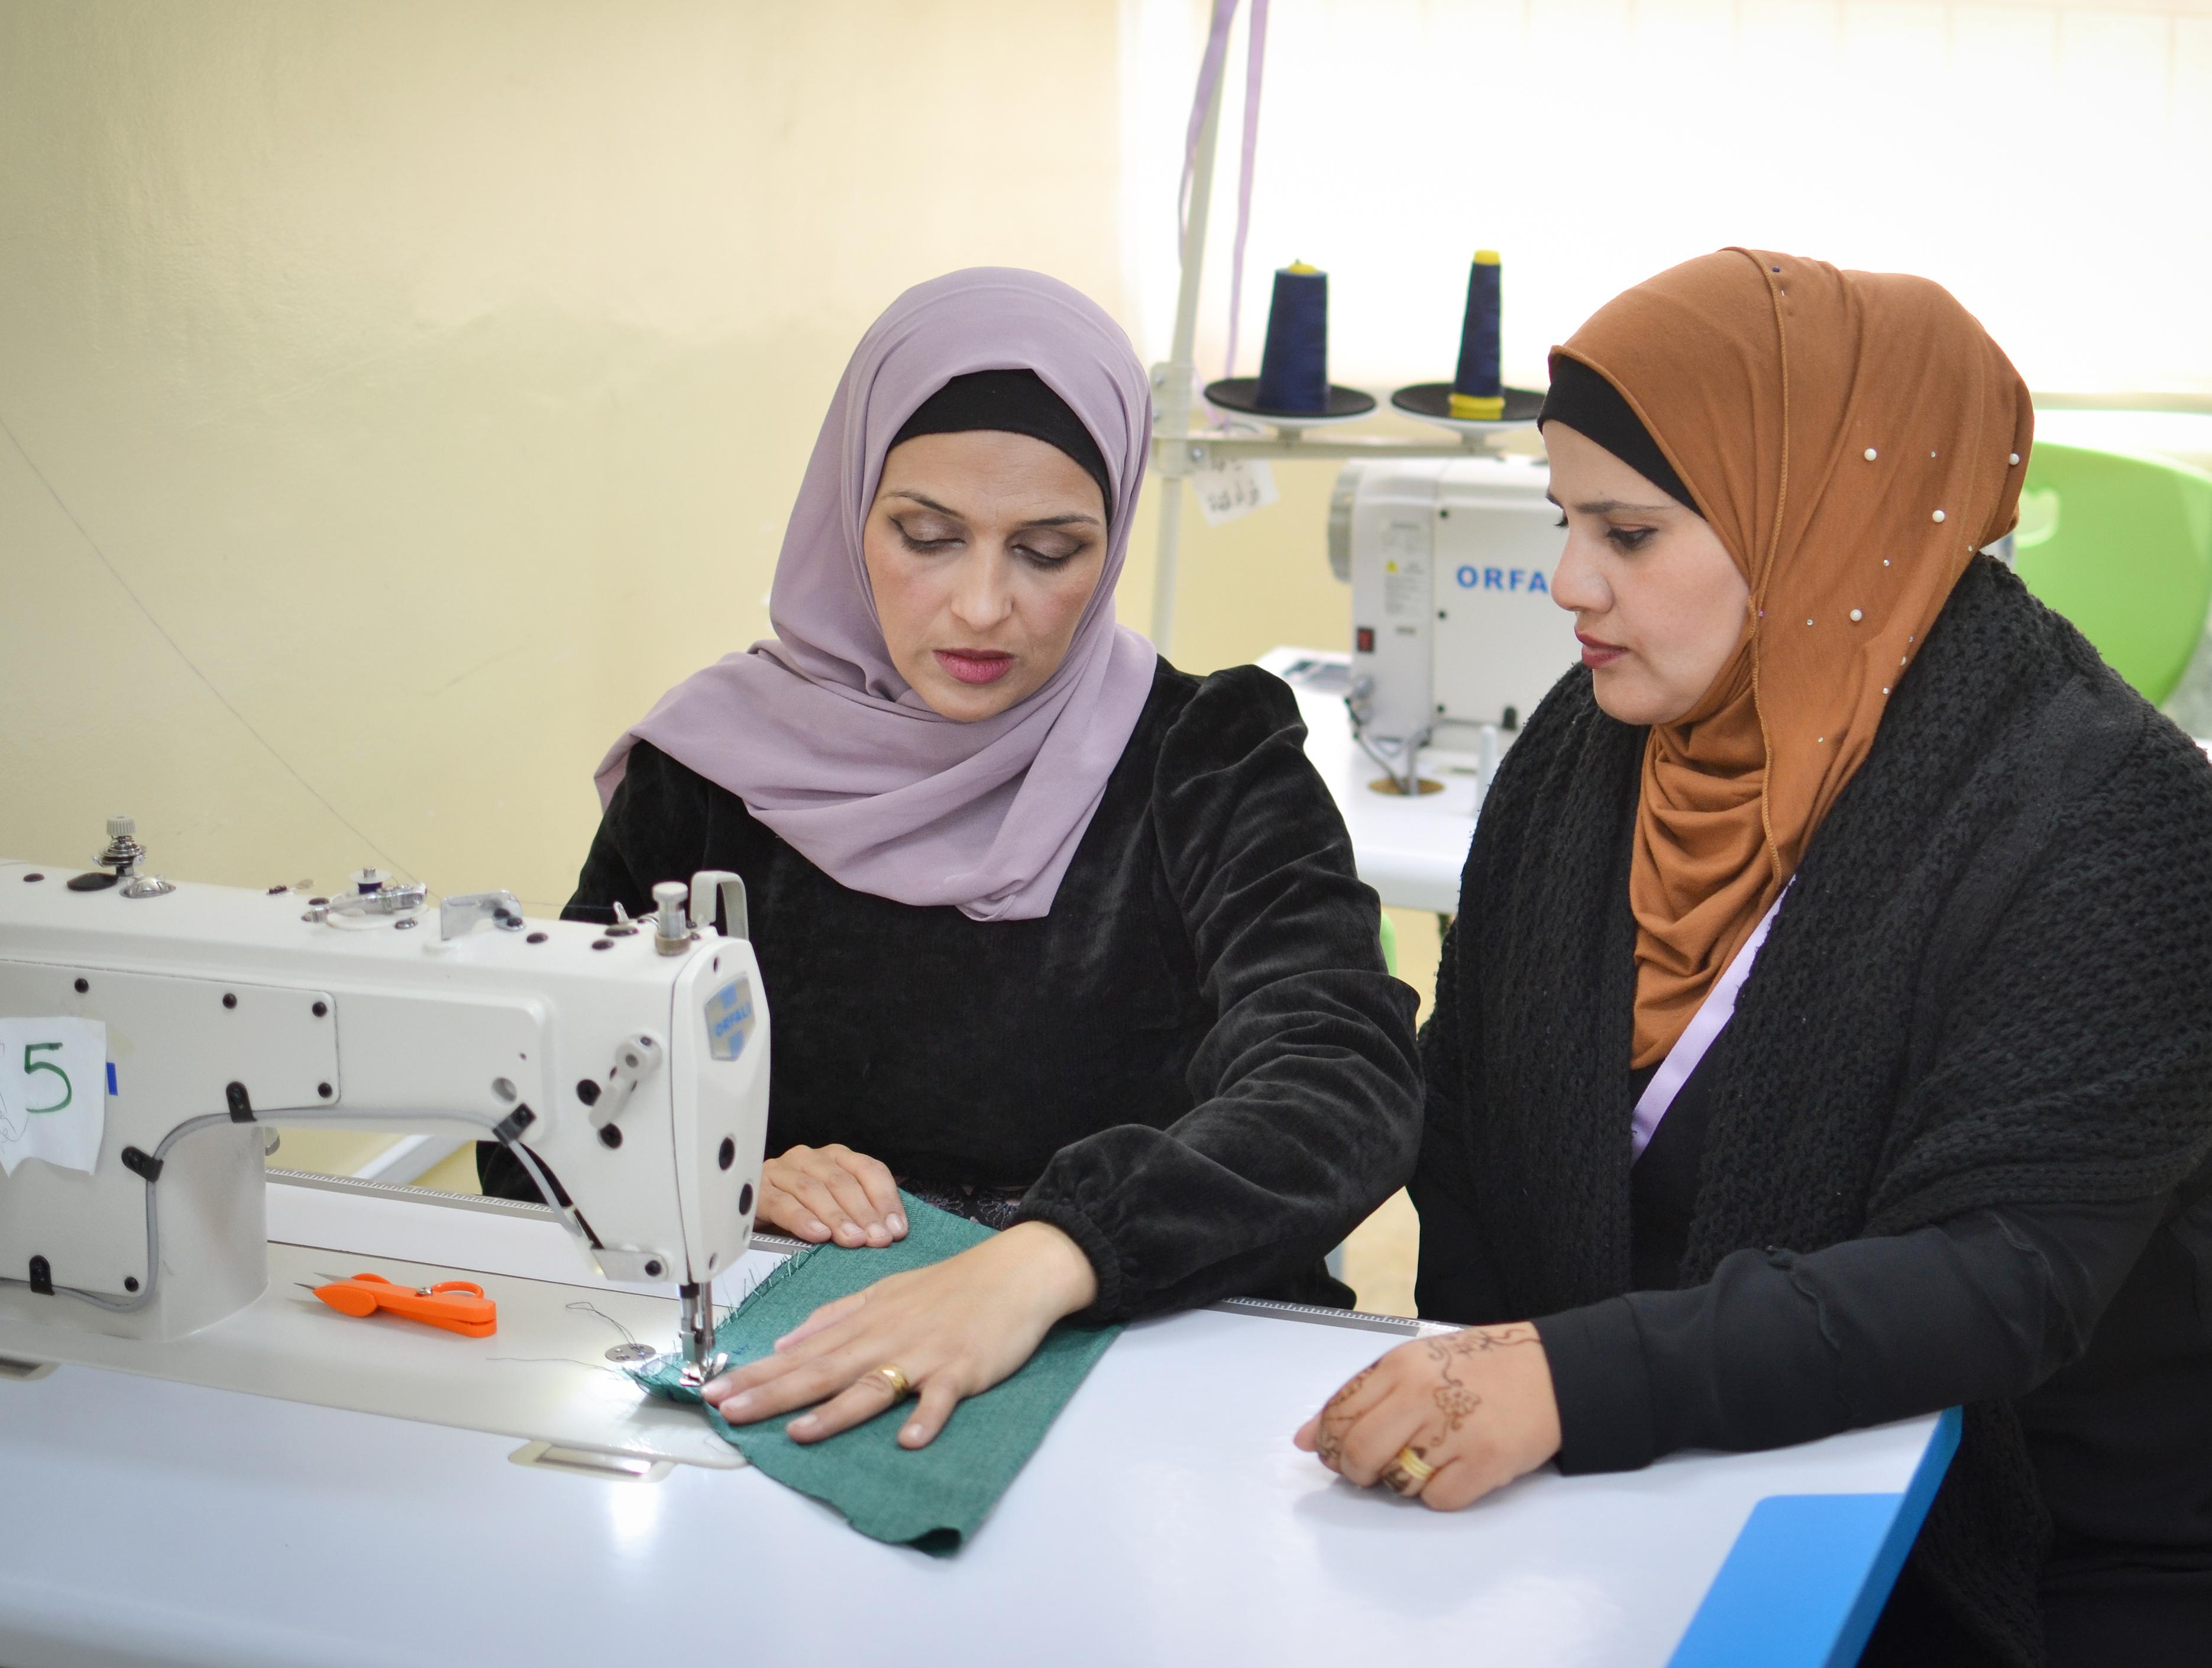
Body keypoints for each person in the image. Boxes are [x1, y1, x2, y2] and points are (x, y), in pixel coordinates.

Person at [1294, 249, 2212, 1667]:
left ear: (1816, 521)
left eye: (1630, 533)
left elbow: (1998, 1273)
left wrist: (1569, 1382)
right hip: (1637, 1487)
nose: (1564, 583)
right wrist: (1482, 1392)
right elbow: (1468, 1125)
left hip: (2026, 1546)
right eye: (1563, 522)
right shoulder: (1584, 752)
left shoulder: (2107, 815)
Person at [483, 267, 1422, 1452]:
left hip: (1149, 1385)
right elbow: (533, 1120)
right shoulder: (713, 776)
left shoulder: (1210, 762)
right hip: (791, 1378)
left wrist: (1054, 1253)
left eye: (1049, 551)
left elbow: (1344, 1083)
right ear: (847, 516)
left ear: (1116, 532)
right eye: (926, 538)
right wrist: (703, 1175)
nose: (983, 606)